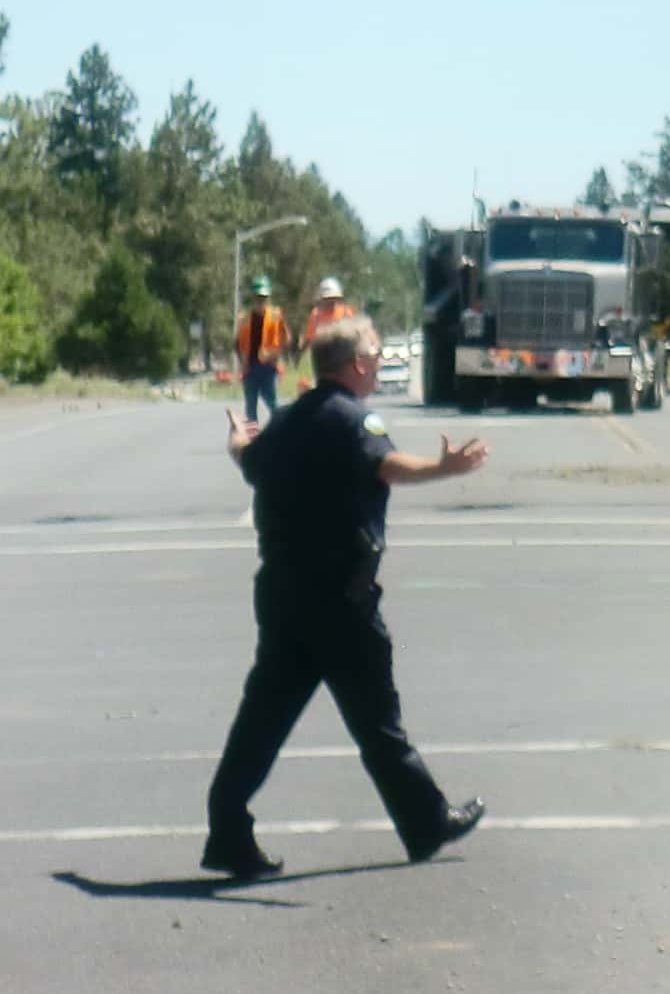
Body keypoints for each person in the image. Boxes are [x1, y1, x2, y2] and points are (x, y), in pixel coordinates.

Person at [201, 312, 489, 881]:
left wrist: (237, 438)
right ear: (356, 364)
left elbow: (247, 460)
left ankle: (227, 831)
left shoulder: (285, 420)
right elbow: (387, 467)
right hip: (340, 600)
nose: (380, 361)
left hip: (284, 595)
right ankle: (427, 823)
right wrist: (444, 467)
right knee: (378, 723)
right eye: (376, 353)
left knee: (263, 719)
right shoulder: (355, 419)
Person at [233, 278, 287, 424]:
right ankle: (253, 441)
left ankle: (279, 434)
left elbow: (285, 340)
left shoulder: (276, 316)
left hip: (269, 367)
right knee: (250, 408)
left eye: (263, 298)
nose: (260, 301)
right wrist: (241, 362)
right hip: (250, 368)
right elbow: (236, 343)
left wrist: (275, 355)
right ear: (253, 298)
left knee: (272, 404)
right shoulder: (244, 318)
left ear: (268, 298)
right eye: (258, 297)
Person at [294, 276, 353, 393]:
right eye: (327, 299)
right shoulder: (316, 315)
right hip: (322, 357)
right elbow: (309, 337)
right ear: (321, 299)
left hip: (342, 354)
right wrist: (299, 353)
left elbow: (355, 335)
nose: (330, 302)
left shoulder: (346, 312)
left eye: (333, 298)